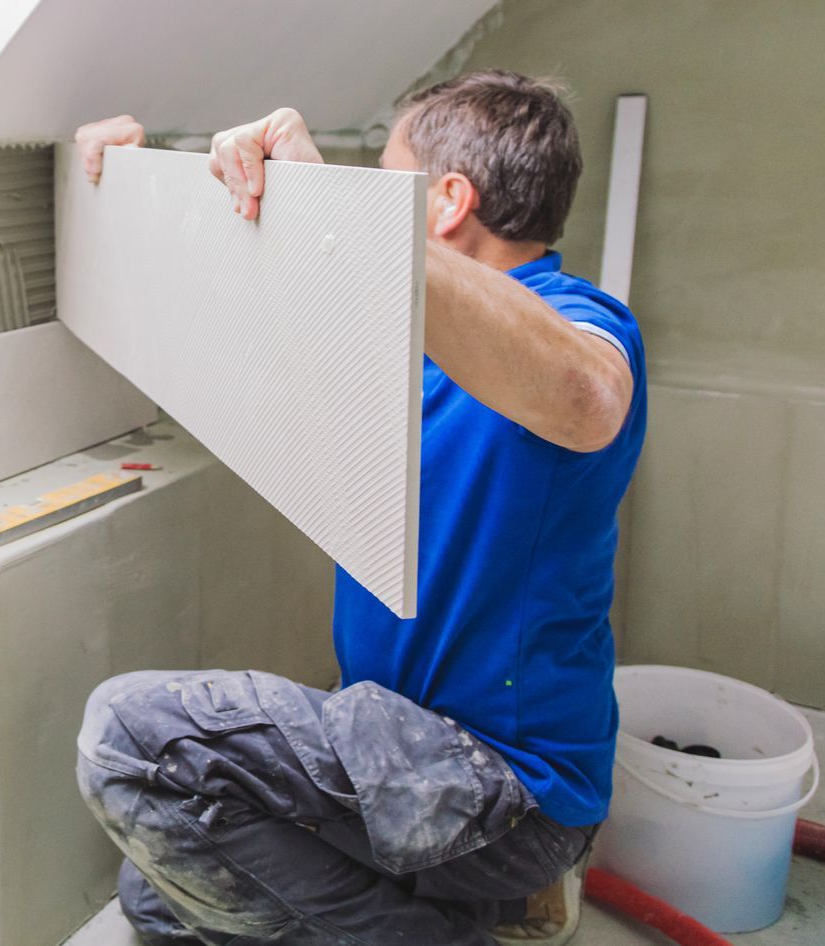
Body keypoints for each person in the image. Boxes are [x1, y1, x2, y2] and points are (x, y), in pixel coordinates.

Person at [72, 71, 646, 946]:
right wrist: (132, 180)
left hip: (506, 785)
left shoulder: (582, 319)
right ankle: (464, 910)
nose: (368, 195)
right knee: (159, 894)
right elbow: (232, 303)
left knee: (127, 739)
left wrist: (349, 220)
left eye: (385, 180)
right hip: (402, 755)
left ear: (447, 201)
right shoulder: (387, 332)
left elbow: (589, 397)